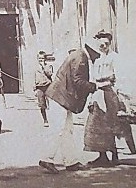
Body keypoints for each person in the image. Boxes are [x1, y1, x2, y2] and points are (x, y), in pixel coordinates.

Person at [39, 43, 97, 174]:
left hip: (62, 97)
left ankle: (70, 161)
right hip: (60, 97)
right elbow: (77, 81)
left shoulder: (77, 55)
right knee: (58, 129)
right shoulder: (81, 58)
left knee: (67, 130)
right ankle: (46, 158)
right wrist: (95, 86)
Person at [84, 31, 135, 166]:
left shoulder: (114, 58)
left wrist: (121, 96)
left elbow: (118, 78)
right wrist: (91, 97)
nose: (103, 46)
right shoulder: (98, 60)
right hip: (98, 94)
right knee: (97, 125)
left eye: (106, 44)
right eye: (101, 44)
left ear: (110, 43)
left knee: (110, 125)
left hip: (110, 95)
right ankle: (102, 155)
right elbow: (93, 79)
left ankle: (114, 155)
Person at [34, 51, 54, 128]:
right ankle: (45, 120)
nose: (41, 60)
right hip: (39, 87)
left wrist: (44, 67)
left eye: (42, 58)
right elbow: (34, 78)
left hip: (48, 86)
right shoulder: (36, 68)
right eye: (39, 58)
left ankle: (52, 118)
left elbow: (49, 73)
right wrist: (35, 88)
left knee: (50, 103)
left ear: (45, 59)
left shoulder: (48, 66)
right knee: (42, 104)